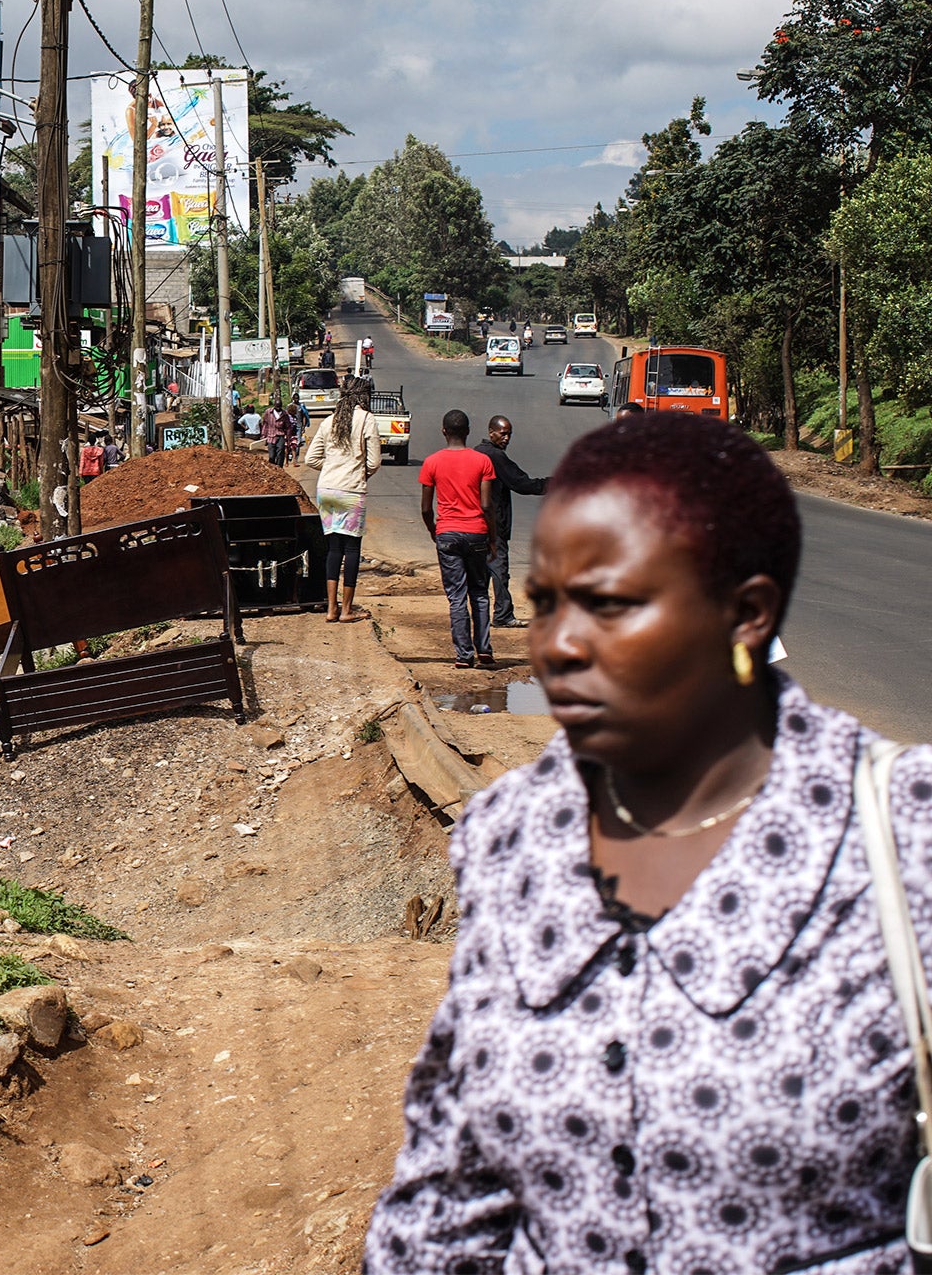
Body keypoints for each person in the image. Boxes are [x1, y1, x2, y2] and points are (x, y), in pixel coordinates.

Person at [367, 410, 932, 1275]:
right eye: (545, 603)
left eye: (609, 604)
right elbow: (449, 1189)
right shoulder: (511, 837)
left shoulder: (904, 840)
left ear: (747, 615)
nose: (557, 645)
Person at [417, 409, 496, 668]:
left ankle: (464, 655)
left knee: (456, 595)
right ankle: (484, 649)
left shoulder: (432, 462)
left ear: (443, 431)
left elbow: (427, 508)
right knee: (480, 593)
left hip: (447, 533)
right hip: (476, 533)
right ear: (469, 431)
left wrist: (433, 529)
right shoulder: (482, 461)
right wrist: (492, 538)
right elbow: (486, 505)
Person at [302, 376, 381, 622]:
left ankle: (331, 609)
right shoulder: (367, 420)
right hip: (351, 490)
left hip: (326, 489)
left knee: (334, 548)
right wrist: (356, 470)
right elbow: (374, 462)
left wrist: (332, 468)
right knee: (352, 548)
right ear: (363, 396)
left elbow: (310, 460)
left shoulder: (328, 422)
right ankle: (347, 610)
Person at [474, 414, 548, 628]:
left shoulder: (478, 452)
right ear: (491, 432)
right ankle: (503, 614)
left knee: (482, 574)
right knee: (498, 570)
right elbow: (521, 483)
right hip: (494, 523)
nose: (507, 438)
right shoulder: (495, 456)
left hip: (477, 523)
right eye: (503, 433)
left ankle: (482, 614)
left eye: (509, 434)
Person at [263, 399, 289, 466]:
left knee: (280, 452)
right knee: (271, 455)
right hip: (270, 436)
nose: (278, 409)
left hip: (280, 435)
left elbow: (288, 426)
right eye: (277, 407)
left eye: (279, 407)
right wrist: (263, 435)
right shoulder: (268, 412)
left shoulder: (285, 414)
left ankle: (279, 468)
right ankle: (272, 468)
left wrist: (287, 436)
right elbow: (265, 424)